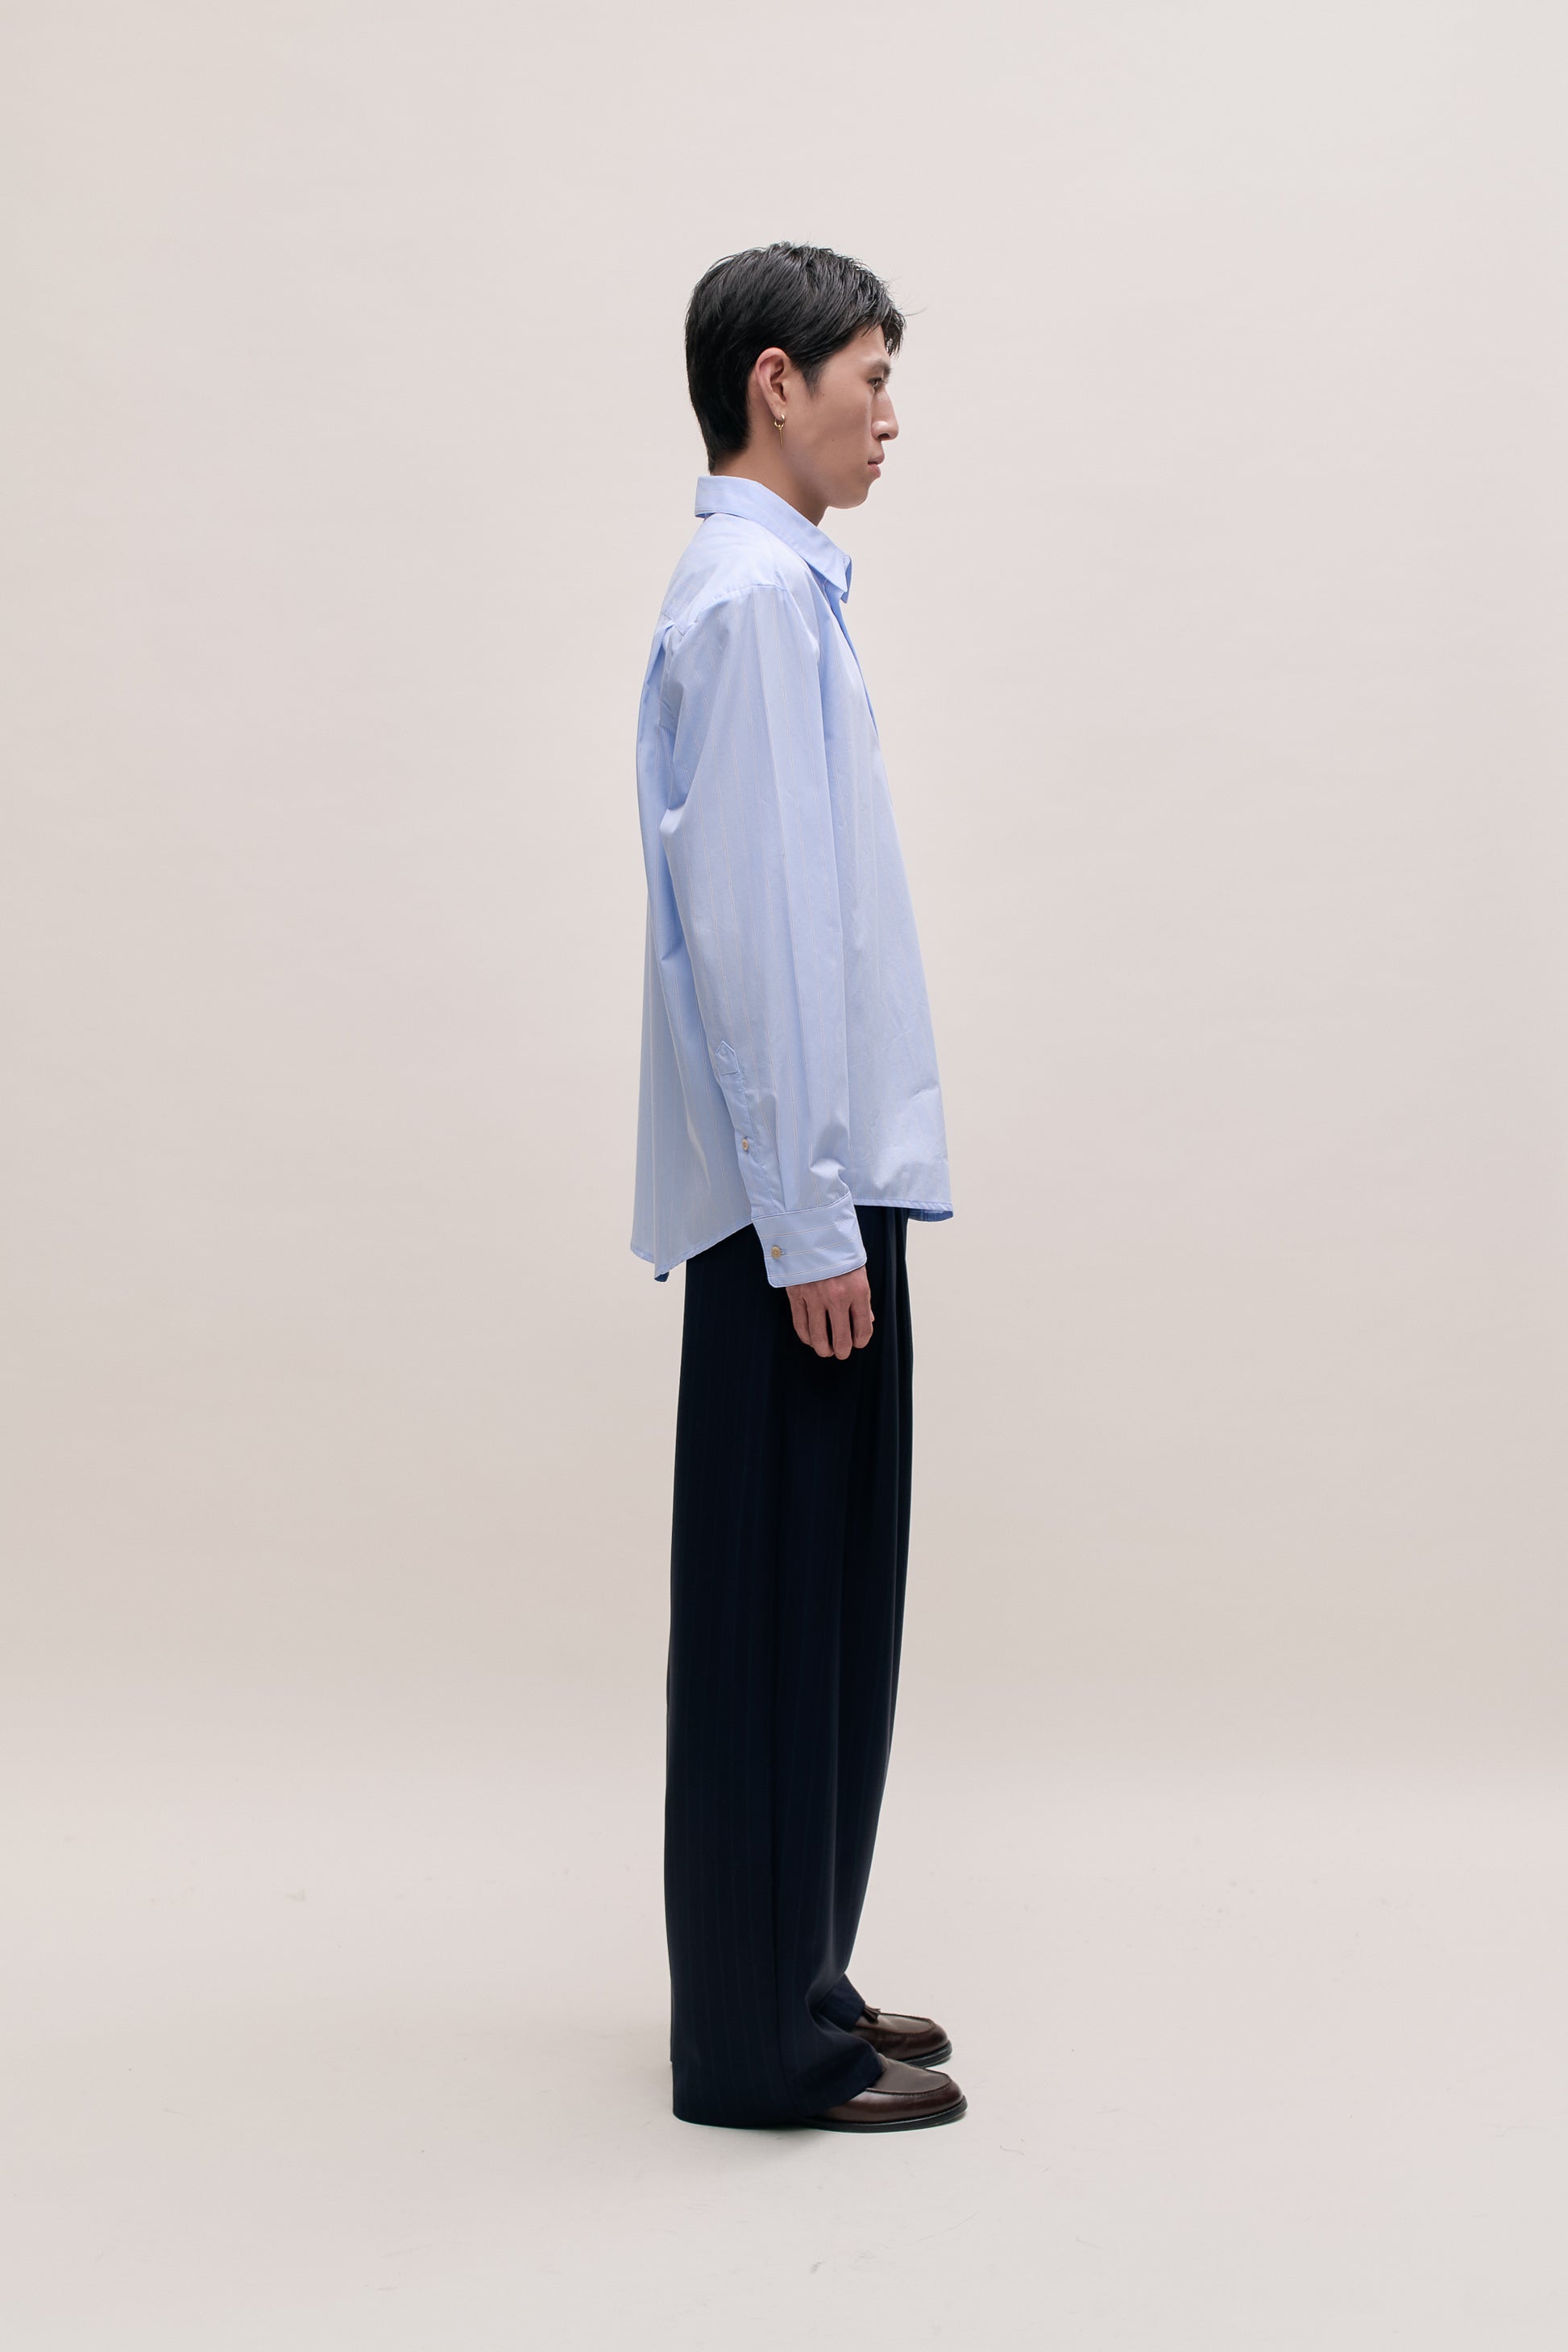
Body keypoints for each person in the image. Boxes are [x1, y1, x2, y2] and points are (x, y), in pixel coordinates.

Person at [631, 243, 964, 2132]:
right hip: (798, 1212)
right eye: (869, 376)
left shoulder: (778, 591)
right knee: (782, 1611)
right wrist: (812, 1223)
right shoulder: (754, 600)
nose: (890, 414)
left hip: (816, 1194)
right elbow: (754, 942)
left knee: (820, 1602)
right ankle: (760, 2045)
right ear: (777, 381)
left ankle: (798, 1975)